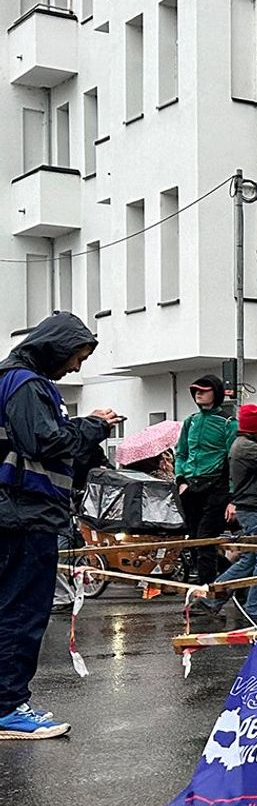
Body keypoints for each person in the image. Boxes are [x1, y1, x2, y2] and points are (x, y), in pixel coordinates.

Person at [0, 312, 119, 739]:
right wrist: (94, 427)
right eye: (77, 356)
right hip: (24, 515)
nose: (76, 367)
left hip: (14, 512)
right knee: (22, 611)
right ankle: (8, 708)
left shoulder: (10, 380)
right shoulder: (27, 385)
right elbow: (44, 443)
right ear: (56, 347)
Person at [205, 405, 257, 623]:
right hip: (254, 509)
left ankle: (212, 597)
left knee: (249, 560)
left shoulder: (241, 445)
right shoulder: (246, 448)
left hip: (250, 507)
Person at [173, 373, 235, 586]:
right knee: (195, 542)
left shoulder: (228, 423)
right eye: (195, 390)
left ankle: (206, 592)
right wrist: (181, 479)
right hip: (191, 488)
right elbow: (180, 453)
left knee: (205, 540)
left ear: (215, 393)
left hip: (216, 488)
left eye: (203, 390)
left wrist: (230, 496)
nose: (198, 393)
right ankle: (231, 577)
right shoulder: (190, 422)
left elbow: (232, 459)